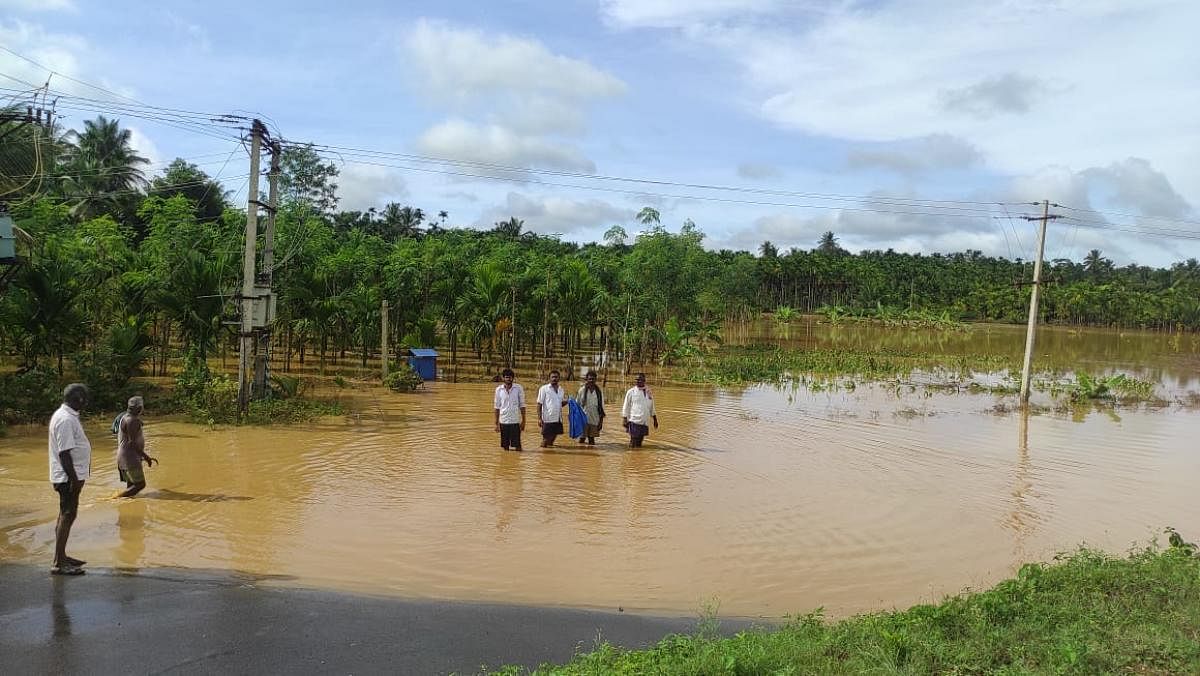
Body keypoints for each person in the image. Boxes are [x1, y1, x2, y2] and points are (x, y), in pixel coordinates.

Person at [48, 383, 91, 575]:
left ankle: (62, 557)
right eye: (84, 397)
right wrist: (74, 479)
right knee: (67, 514)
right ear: (78, 399)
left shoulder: (68, 416)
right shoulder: (65, 419)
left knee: (67, 514)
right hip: (67, 478)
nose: (86, 401)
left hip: (70, 476)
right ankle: (59, 563)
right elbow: (65, 453)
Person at [116, 396, 157, 498]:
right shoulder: (132, 421)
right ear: (139, 408)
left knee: (131, 487)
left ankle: (126, 506)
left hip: (126, 456)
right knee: (140, 485)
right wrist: (146, 457)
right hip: (130, 458)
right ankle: (115, 498)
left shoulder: (125, 417)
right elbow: (132, 443)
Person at [621, 372, 658, 448]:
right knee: (633, 442)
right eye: (637, 380)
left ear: (644, 380)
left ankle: (637, 458)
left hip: (644, 421)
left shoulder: (648, 392)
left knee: (639, 443)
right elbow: (626, 405)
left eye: (641, 380)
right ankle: (631, 457)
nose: (639, 381)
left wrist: (655, 419)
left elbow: (651, 406)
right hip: (634, 420)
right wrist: (624, 419)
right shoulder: (631, 392)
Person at [493, 368, 526, 451]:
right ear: (503, 378)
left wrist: (523, 421)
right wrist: (496, 424)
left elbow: (522, 405)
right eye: (507, 377)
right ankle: (506, 462)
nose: (509, 379)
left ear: (513, 378)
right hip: (503, 421)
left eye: (510, 377)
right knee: (505, 446)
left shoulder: (518, 388)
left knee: (518, 446)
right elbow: (497, 407)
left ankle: (517, 462)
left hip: (515, 421)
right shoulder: (498, 390)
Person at [536, 370, 569, 447]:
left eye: (556, 377)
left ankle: (549, 456)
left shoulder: (561, 390)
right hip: (547, 419)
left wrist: (567, 402)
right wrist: (539, 418)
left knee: (553, 439)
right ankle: (543, 455)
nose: (554, 379)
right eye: (553, 377)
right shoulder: (544, 389)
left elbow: (559, 404)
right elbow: (539, 404)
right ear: (549, 378)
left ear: (559, 378)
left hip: (558, 419)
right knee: (545, 440)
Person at [575, 370, 606, 445]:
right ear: (587, 379)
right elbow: (577, 405)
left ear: (596, 380)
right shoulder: (582, 390)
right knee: (582, 439)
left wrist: (601, 422)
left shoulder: (599, 392)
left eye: (593, 379)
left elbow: (602, 408)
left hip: (594, 419)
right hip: (583, 420)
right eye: (589, 379)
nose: (591, 380)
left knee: (592, 440)